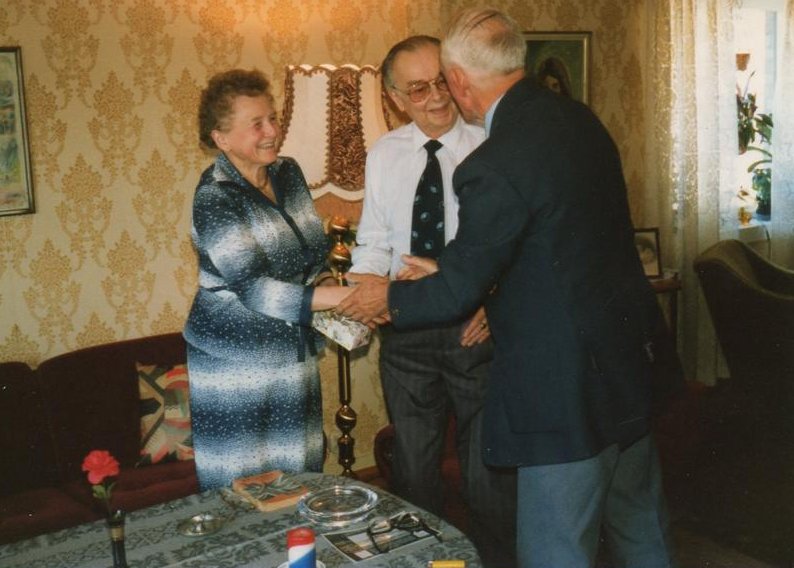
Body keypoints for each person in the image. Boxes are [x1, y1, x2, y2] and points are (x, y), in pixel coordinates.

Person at [338, 8, 678, 568]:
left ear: (462, 82)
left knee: (554, 550)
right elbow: (559, 247)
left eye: (443, 81)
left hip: (562, 392)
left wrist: (385, 298)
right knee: (643, 533)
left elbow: (456, 292)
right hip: (626, 369)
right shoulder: (580, 121)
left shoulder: (493, 161)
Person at [347, 35, 516, 567]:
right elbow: (374, 240)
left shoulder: (493, 145)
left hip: (472, 328)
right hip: (407, 331)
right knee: (415, 475)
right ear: (395, 98)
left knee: (485, 475)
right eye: (417, 89)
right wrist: (361, 294)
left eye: (441, 81)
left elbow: (517, 242)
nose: (436, 97)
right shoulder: (385, 154)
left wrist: (496, 303)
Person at [184, 69, 351, 491]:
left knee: (299, 477)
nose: (272, 131)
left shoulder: (288, 174)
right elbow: (254, 288)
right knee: (240, 488)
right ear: (221, 138)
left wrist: (346, 294)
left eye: (272, 118)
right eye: (256, 123)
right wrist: (334, 298)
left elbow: (312, 253)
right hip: (232, 362)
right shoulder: (213, 197)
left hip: (292, 352)